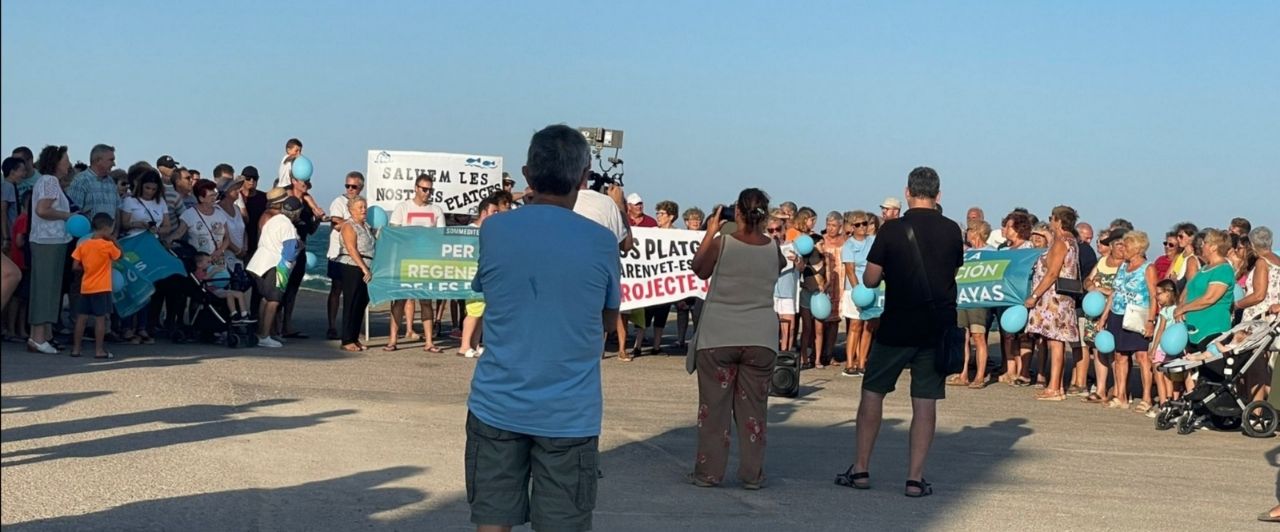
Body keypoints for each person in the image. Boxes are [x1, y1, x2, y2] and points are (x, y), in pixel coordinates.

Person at [465, 125, 620, 532]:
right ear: (585, 178)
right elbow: (607, 318)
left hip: (498, 401)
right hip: (570, 411)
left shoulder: (494, 230)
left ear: (527, 174)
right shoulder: (602, 241)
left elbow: (491, 293)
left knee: (492, 520)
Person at [841, 167, 963, 498]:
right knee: (925, 402)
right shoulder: (953, 230)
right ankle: (914, 478)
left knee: (873, 393)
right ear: (939, 195)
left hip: (897, 323)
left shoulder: (893, 230)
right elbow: (952, 270)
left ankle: (862, 469)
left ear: (907, 192)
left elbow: (869, 279)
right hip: (937, 327)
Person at [685, 188, 781, 490]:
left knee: (714, 409)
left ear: (736, 212)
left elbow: (699, 269)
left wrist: (711, 231)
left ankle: (709, 473)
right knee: (754, 410)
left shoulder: (722, 243)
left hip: (719, 335)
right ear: (764, 214)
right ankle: (753, 474)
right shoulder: (773, 248)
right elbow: (777, 271)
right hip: (760, 336)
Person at [570, 174, 634, 360]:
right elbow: (627, 244)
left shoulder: (548, 201)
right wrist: (619, 206)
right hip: (594, 284)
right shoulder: (605, 204)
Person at [1022, 206, 1081, 401]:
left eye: (1052, 218)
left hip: (1054, 298)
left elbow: (1053, 272)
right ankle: (1057, 386)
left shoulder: (1061, 242)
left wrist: (1035, 295)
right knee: (1057, 342)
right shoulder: (1073, 241)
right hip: (1064, 297)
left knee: (1055, 342)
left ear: (1058, 220)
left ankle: (1054, 386)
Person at [1097, 231, 1159, 411]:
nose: (1123, 249)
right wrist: (1104, 316)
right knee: (1120, 356)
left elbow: (1153, 296)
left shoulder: (1148, 268)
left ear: (1138, 248)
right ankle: (1121, 395)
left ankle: (1147, 398)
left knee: (1141, 356)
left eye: (1127, 245)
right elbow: (1114, 292)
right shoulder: (1123, 266)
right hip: (1117, 313)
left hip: (1138, 314)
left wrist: (1150, 321)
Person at [387, 173, 447, 352]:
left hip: (426, 262)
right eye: (424, 189)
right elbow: (393, 232)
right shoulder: (402, 207)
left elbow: (441, 236)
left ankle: (429, 342)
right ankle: (392, 340)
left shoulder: (436, 210)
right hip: (405, 260)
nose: (427, 193)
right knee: (399, 300)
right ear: (416, 188)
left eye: (430, 190)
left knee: (426, 302)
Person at [26, 146, 73, 354]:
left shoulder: (47, 182)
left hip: (51, 240)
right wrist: (67, 216)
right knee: (45, 288)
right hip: (48, 241)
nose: (69, 164)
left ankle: (43, 335)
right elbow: (43, 209)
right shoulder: (50, 181)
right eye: (66, 160)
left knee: (50, 288)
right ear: (56, 162)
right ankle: (37, 337)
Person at [246, 189, 301, 349]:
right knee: (274, 301)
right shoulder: (287, 225)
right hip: (274, 265)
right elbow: (289, 252)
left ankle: (262, 332)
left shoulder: (273, 220)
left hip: (258, 264)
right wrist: (297, 249)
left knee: (264, 299)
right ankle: (265, 335)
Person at [1234, 226, 1278, 404]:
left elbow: (1259, 294)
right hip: (1273, 319)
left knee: (1255, 367)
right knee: (1264, 367)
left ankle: (1257, 409)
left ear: (1252, 244)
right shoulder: (1278, 261)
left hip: (1260, 318)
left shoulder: (1262, 262)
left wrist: (1237, 304)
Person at [69, 213, 121, 359]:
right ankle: (99, 350)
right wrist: (114, 241)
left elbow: (75, 266)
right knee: (100, 319)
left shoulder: (83, 245)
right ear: (107, 228)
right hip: (102, 287)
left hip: (86, 286)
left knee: (81, 318)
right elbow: (119, 256)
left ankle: (76, 349)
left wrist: (87, 268)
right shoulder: (108, 245)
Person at [1175, 229, 1234, 352]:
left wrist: (1183, 308)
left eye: (1205, 243)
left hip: (1212, 330)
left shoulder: (1223, 269)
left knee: (1210, 369)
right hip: (1194, 331)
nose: (1202, 245)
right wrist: (1181, 307)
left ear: (1213, 247)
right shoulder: (1204, 269)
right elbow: (1190, 290)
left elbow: (1209, 298)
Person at [457, 196, 500, 358]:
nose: (497, 214)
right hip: (471, 277)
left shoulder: (492, 231)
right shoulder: (469, 231)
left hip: (486, 277)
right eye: (493, 211)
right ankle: (464, 345)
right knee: (473, 311)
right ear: (483, 212)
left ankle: (474, 344)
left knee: (481, 312)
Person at [952, 219, 992, 387]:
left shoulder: (991, 252)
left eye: (969, 230)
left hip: (979, 300)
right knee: (963, 337)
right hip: (962, 299)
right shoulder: (965, 253)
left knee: (979, 336)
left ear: (976, 232)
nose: (966, 233)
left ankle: (980, 376)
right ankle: (963, 374)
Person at [325, 171, 365, 340]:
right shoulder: (339, 202)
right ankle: (332, 326)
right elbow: (336, 223)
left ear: (360, 187)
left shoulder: (362, 204)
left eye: (353, 186)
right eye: (347, 186)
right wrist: (354, 225)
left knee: (354, 292)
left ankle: (351, 327)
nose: (350, 189)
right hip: (338, 253)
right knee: (336, 289)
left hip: (356, 254)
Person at [841, 210, 880, 378]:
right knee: (855, 325)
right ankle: (850, 364)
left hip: (872, 288)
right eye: (858, 224)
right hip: (855, 289)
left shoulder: (873, 241)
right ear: (852, 227)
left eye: (865, 223)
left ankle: (862, 362)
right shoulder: (848, 245)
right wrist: (859, 291)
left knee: (868, 326)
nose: (863, 227)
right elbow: (850, 270)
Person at [767, 211, 798, 352]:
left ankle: (786, 354)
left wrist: (797, 261)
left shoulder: (793, 246)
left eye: (778, 229)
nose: (775, 233)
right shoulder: (764, 247)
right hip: (770, 292)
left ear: (783, 229)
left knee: (789, 327)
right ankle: (772, 353)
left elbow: (802, 267)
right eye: (771, 230)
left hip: (787, 291)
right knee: (771, 327)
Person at [193, 252, 252, 323]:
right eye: (208, 262)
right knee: (230, 294)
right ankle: (235, 315)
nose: (210, 264)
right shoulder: (198, 272)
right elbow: (204, 279)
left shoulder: (206, 270)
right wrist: (214, 271)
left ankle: (242, 314)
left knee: (239, 294)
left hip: (219, 289)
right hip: (212, 292)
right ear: (199, 264)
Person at [67, 145, 120, 223]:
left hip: (110, 235)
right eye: (111, 160)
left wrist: (115, 234)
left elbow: (117, 212)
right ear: (98, 160)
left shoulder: (111, 182)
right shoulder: (81, 181)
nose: (114, 164)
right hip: (88, 234)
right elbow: (73, 214)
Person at [1168, 222, 1200, 290]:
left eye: (1181, 236)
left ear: (1192, 237)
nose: (1178, 239)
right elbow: (1167, 277)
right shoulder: (1178, 257)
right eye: (1177, 236)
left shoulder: (1197, 256)